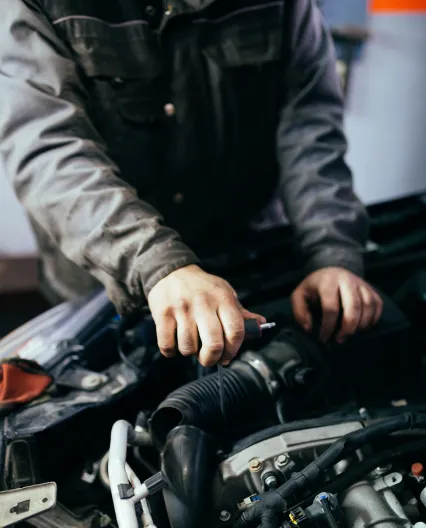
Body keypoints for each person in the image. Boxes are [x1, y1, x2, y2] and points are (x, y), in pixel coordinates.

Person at [0, 0, 382, 368]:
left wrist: (331, 251)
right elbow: (47, 146)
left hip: (250, 261)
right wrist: (156, 263)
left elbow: (308, 122)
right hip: (107, 282)